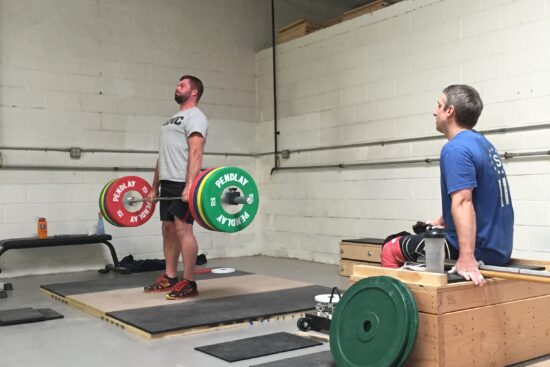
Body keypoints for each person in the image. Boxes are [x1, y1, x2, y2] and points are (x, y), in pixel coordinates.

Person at [381, 84, 514, 287]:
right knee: (419, 237)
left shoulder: (456, 149)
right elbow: (481, 198)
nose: (435, 111)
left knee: (391, 248)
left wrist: (467, 258)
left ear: (449, 111)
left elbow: (463, 202)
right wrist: (442, 220)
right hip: (500, 247)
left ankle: (394, 314)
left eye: (439, 105)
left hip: (478, 249)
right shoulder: (483, 144)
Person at [143, 75, 207, 300]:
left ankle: (189, 281)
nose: (177, 87)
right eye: (177, 84)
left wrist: (191, 184)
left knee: (183, 230)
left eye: (182, 85)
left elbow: (196, 151)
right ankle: (170, 277)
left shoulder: (196, 117)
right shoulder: (171, 119)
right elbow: (163, 156)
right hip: (168, 182)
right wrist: (154, 187)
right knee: (168, 230)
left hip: (183, 181)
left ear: (194, 92)